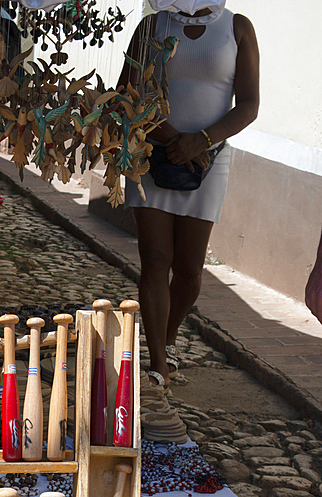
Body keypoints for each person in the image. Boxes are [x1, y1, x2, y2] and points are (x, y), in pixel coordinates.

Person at [119, 0, 259, 390]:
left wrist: (201, 141)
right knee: (156, 260)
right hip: (150, 155)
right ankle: (159, 362)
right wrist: (172, 139)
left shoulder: (238, 28)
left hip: (209, 161)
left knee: (190, 270)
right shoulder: (152, 26)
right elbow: (125, 93)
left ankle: (168, 335)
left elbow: (249, 104)